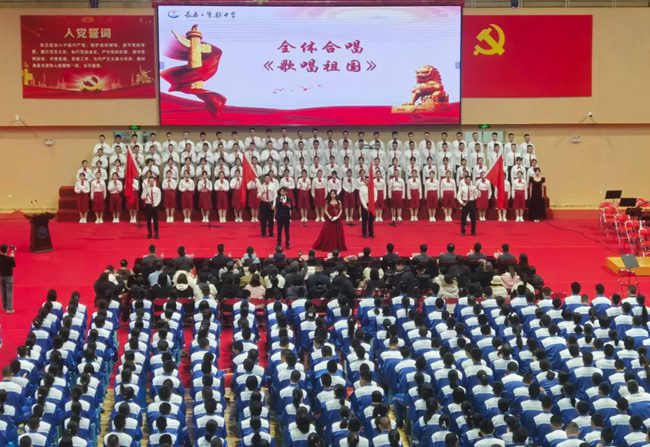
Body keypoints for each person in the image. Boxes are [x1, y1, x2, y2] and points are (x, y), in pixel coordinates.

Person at [257, 174, 277, 238]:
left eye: (268, 178)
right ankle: (263, 233)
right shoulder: (261, 186)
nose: (267, 179)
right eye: (266, 178)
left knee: (271, 219)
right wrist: (261, 194)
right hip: (263, 203)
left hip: (270, 203)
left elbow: (275, 195)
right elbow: (258, 196)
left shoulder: (273, 185)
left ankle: (271, 232)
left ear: (269, 179)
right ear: (264, 179)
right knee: (263, 219)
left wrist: (274, 205)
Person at [0, 244, 15, 314]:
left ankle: (4, 307)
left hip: (1, 276)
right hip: (8, 276)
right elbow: (13, 265)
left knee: (3, 291)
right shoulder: (9, 259)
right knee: (9, 292)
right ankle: (9, 309)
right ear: (7, 250)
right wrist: (12, 256)